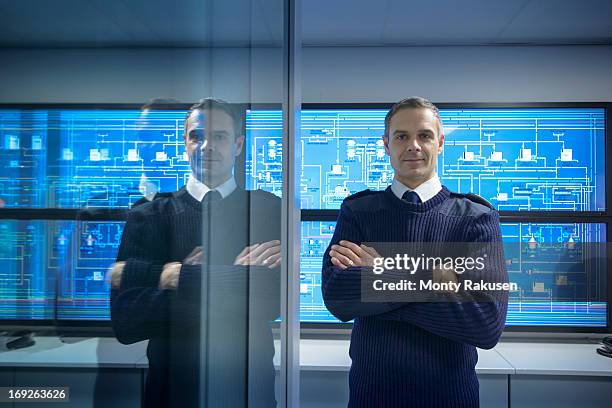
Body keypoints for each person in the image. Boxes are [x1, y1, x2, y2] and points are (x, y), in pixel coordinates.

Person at [321, 97, 508, 407]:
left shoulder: (476, 218)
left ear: (440, 143)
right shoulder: (358, 212)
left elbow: (484, 323)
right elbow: (338, 298)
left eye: (424, 135)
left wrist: (381, 274)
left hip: (449, 397)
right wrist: (438, 278)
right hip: (372, 396)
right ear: (386, 143)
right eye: (401, 136)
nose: (413, 145)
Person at [109, 98, 281, 407]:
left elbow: (270, 300)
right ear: (186, 143)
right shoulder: (148, 215)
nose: (206, 146)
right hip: (173, 390)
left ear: (238, 145)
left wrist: (176, 276)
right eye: (197, 136)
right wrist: (233, 278)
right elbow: (128, 319)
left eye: (219, 136)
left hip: (246, 388)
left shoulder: (268, 209)